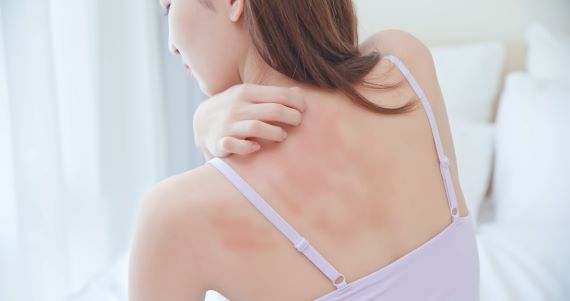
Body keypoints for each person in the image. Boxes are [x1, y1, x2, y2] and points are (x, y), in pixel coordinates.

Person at [128, 0, 480, 300]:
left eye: (169, 6)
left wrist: (203, 127)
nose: (172, 44)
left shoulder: (171, 216)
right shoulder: (406, 66)